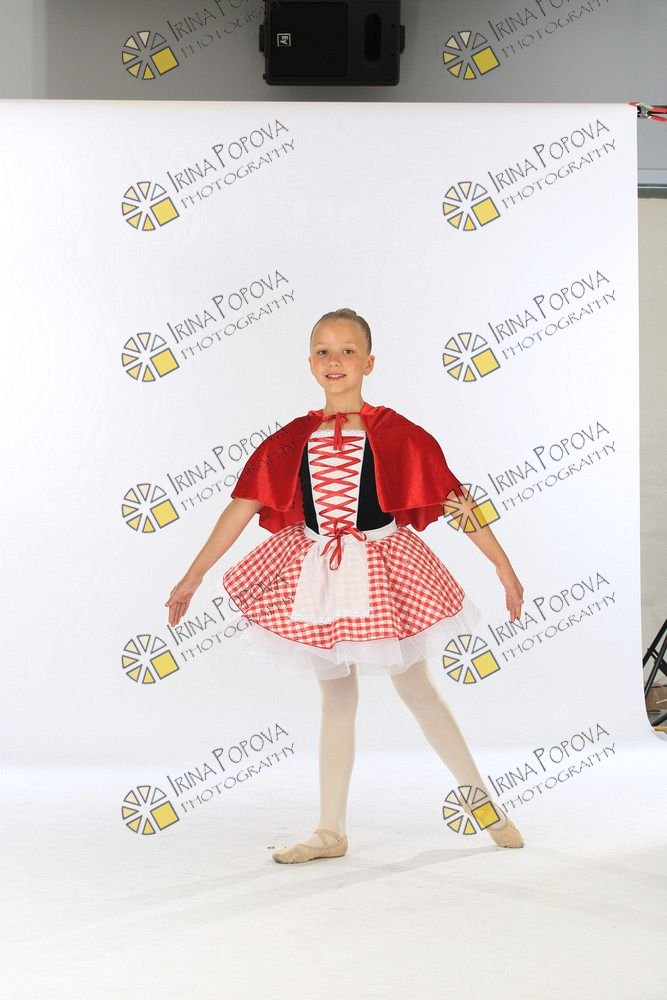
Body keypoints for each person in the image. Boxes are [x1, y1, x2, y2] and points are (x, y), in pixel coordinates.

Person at [165, 308, 525, 863]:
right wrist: (193, 575)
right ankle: (330, 830)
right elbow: (244, 505)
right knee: (336, 694)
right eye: (324, 351)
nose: (335, 361)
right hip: (317, 571)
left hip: (383, 566)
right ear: (310, 363)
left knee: (416, 689)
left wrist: (502, 566)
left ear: (369, 362)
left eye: (348, 351)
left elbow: (457, 501)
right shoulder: (292, 439)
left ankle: (483, 803)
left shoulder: (398, 434)